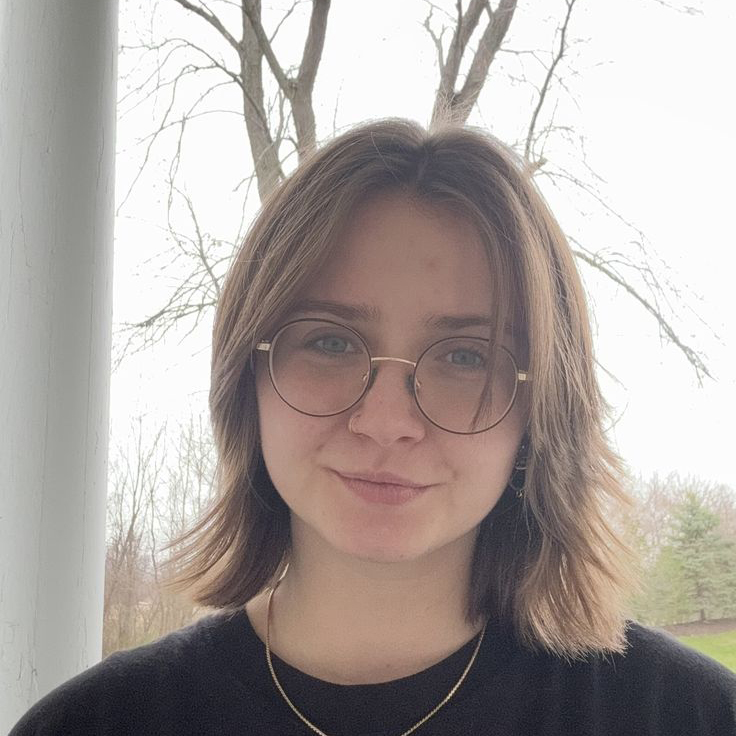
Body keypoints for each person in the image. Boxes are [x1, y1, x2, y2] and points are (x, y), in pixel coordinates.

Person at [10, 118, 736, 735]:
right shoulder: (93, 725)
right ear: (247, 376)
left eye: (463, 356)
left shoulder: (689, 717)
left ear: (542, 408)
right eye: (330, 341)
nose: (386, 422)